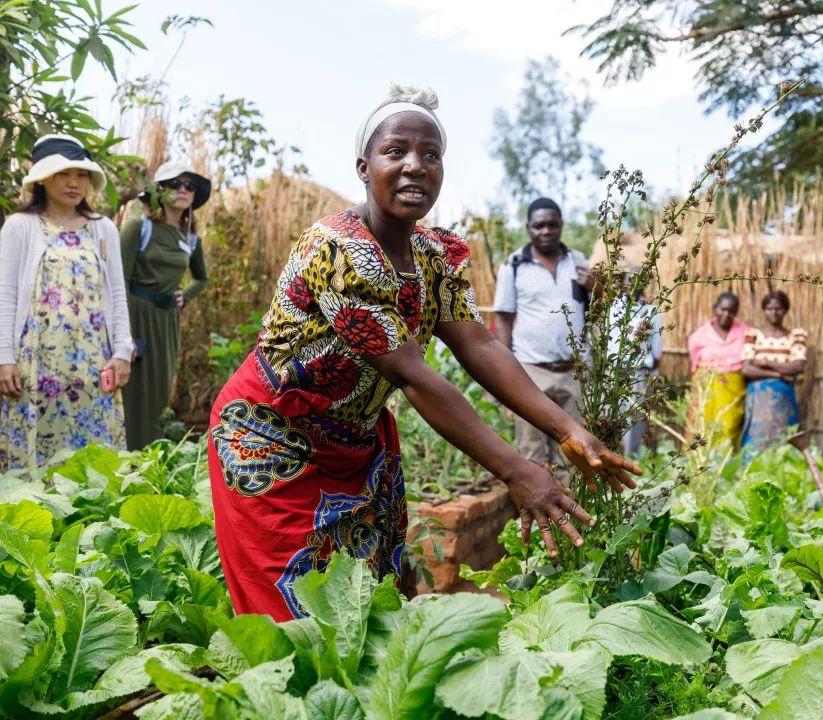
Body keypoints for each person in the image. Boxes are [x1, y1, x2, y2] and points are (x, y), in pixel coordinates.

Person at [207, 85, 638, 620]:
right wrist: (518, 471)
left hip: (355, 444)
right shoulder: (339, 251)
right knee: (295, 618)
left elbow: (478, 344)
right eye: (396, 152)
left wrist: (568, 430)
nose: (415, 166)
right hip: (273, 442)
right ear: (364, 168)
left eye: (430, 155)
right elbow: (413, 376)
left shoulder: (436, 255)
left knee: (378, 600)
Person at [0, 134, 132, 471]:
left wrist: (120, 352)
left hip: (93, 363)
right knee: (35, 462)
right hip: (36, 364)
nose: (74, 183)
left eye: (81, 174)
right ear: (43, 178)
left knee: (94, 462)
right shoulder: (19, 226)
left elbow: (117, 292)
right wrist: (4, 358)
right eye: (63, 174)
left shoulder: (102, 229)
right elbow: (6, 294)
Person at [492, 197, 592, 481]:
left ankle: (569, 522)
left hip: (573, 372)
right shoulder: (513, 265)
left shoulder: (579, 261)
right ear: (528, 227)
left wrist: (596, 287)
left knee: (572, 454)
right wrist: (504, 375)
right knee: (532, 455)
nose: (545, 231)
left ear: (561, 225)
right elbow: (503, 321)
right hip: (530, 373)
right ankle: (535, 524)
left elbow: (598, 311)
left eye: (552, 225)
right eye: (539, 226)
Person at [121, 161, 211, 449]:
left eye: (190, 186)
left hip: (167, 321)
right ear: (159, 191)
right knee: (130, 389)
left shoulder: (191, 239)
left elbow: (201, 278)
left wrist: (187, 295)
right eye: (175, 184)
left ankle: (150, 459)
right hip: (135, 314)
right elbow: (118, 280)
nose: (183, 190)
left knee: (160, 392)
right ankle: (124, 455)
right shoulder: (139, 227)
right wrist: (122, 333)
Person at [740, 290, 807, 454]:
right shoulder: (753, 335)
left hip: (784, 397)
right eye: (769, 308)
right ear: (764, 310)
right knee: (755, 439)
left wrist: (765, 363)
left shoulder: (795, 336)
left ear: (785, 310)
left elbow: (797, 366)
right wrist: (778, 374)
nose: (774, 313)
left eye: (779, 308)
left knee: (783, 439)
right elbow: (746, 369)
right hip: (758, 398)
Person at [607, 269, 662, 456]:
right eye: (630, 280)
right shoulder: (612, 306)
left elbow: (656, 348)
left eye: (639, 280)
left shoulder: (651, 311)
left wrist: (652, 377)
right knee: (609, 416)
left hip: (639, 372)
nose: (633, 284)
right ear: (623, 282)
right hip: (613, 371)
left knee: (633, 421)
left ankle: (631, 463)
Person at [687, 292, 749, 448]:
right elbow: (695, 364)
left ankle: (724, 469)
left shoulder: (744, 333)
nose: (726, 314)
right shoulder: (699, 336)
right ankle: (697, 469)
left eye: (732, 311)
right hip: (706, 388)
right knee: (701, 426)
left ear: (736, 313)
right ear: (715, 308)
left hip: (733, 388)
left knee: (728, 428)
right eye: (723, 309)